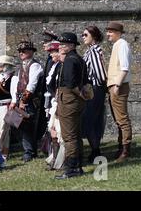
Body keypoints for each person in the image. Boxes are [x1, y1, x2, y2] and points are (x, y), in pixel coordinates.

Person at [55, 32, 88, 179]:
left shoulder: (69, 60)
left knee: (69, 137)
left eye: (64, 44)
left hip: (69, 99)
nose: (61, 47)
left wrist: (79, 93)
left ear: (72, 45)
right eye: (60, 44)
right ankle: (78, 166)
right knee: (76, 135)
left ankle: (72, 168)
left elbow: (70, 83)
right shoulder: (79, 59)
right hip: (76, 101)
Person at [106, 21, 133, 163]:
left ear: (118, 33)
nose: (108, 34)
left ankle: (126, 150)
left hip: (119, 86)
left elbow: (124, 67)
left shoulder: (122, 44)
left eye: (110, 32)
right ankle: (121, 147)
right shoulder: (118, 45)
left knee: (122, 119)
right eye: (108, 31)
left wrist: (117, 85)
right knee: (119, 119)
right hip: (115, 85)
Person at [13, 39, 43, 162]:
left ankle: (29, 152)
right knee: (21, 126)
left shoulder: (34, 65)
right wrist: (15, 100)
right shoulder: (21, 67)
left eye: (24, 50)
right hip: (21, 99)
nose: (21, 53)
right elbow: (17, 84)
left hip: (31, 100)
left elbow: (32, 85)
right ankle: (29, 150)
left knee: (28, 126)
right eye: (20, 51)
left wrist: (23, 100)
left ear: (31, 51)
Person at [81, 26, 107, 163]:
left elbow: (100, 74)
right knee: (91, 120)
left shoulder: (94, 51)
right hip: (93, 89)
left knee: (90, 120)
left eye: (85, 34)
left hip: (95, 89)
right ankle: (95, 150)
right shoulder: (91, 50)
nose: (83, 37)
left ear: (94, 36)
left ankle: (96, 151)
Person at [44, 42, 65, 170]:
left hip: (59, 101)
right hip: (53, 101)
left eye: (54, 52)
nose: (51, 54)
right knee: (53, 131)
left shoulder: (62, 66)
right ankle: (55, 159)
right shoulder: (55, 65)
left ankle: (62, 162)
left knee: (60, 132)